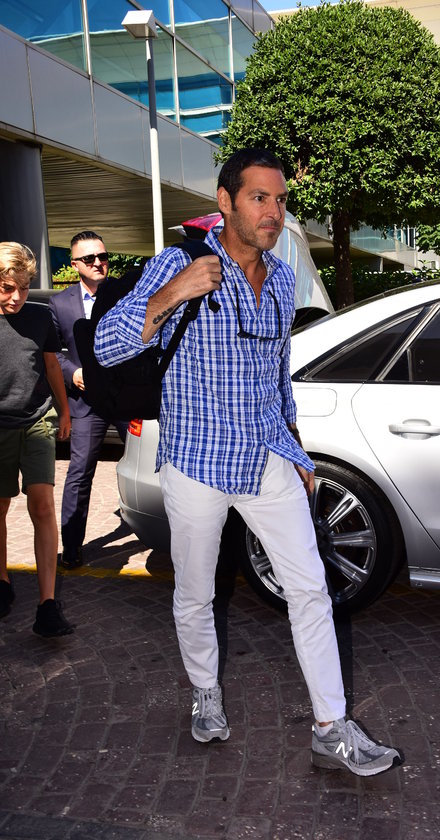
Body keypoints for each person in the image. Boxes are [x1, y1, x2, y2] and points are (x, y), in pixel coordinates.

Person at [94, 149, 403, 777]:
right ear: (225, 201)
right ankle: (205, 691)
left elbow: (276, 373)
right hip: (196, 461)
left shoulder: (283, 278)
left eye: (280, 200)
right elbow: (106, 347)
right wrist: (173, 294)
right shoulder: (178, 264)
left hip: (266, 457)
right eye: (259, 198)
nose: (273, 212)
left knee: (310, 587)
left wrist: (295, 446)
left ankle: (330, 728)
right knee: (196, 592)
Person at [0, 242, 74, 636]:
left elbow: (51, 366)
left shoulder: (40, 317)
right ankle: (2, 582)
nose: (16, 297)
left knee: (42, 505)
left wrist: (64, 412)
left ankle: (47, 604)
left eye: (24, 288)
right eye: (7, 288)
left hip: (37, 419)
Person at [49, 231, 127, 569]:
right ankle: (71, 548)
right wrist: (73, 372)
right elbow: (53, 352)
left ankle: (168, 536)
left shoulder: (126, 293)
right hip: (86, 402)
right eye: (89, 258)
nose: (98, 263)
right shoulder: (59, 303)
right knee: (80, 474)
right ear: (74, 264)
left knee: (153, 466)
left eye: (103, 256)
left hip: (126, 398)